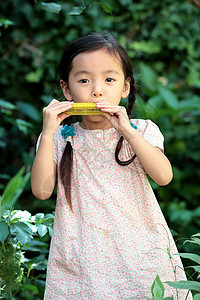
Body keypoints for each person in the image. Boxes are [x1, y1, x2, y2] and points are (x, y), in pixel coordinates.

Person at [31, 33, 192, 299]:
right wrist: (47, 133)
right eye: (84, 80)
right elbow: (41, 191)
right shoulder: (57, 138)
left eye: (109, 79)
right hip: (82, 257)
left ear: (125, 87)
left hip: (141, 254)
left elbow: (163, 176)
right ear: (66, 89)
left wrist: (127, 131)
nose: (97, 90)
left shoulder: (142, 130)